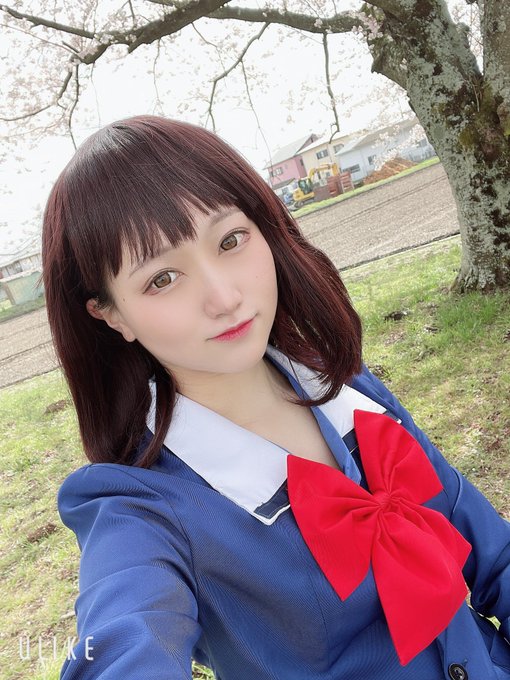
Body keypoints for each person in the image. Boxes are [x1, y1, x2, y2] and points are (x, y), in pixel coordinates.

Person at [42, 115, 510, 680]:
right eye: (162, 279)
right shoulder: (141, 510)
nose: (224, 297)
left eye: (230, 240)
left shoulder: (348, 388)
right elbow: (125, 638)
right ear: (111, 314)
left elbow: (494, 555)